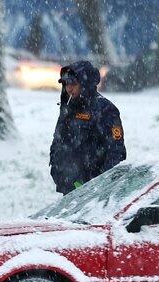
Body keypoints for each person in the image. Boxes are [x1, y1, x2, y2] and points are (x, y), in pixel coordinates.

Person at [49, 60, 126, 195]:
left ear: (85, 84)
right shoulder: (68, 107)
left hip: (95, 192)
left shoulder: (105, 109)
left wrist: (100, 186)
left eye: (73, 84)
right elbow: (58, 141)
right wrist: (58, 173)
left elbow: (116, 152)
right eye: (66, 84)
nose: (69, 88)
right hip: (69, 189)